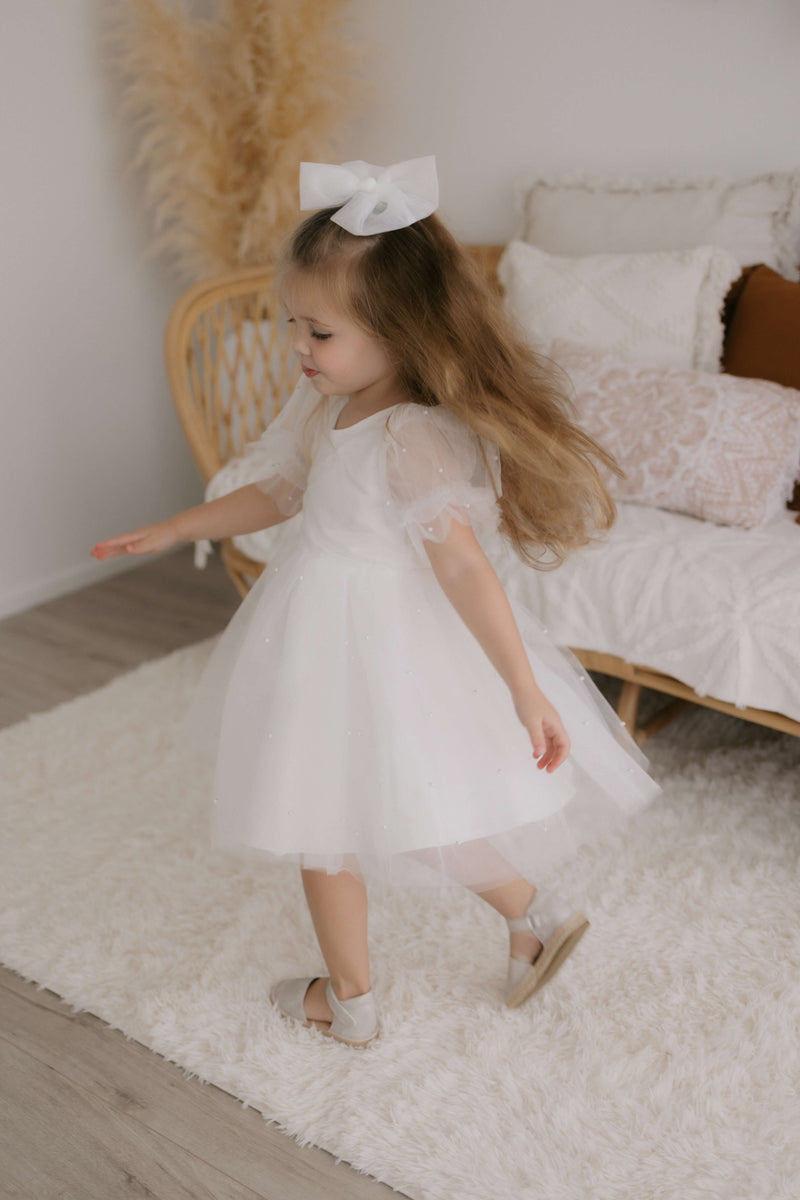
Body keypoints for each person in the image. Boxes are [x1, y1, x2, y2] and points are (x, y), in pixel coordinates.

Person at [92, 157, 660, 1047]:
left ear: (399, 332)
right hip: (324, 632)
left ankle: (349, 1003)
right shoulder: (329, 407)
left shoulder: (410, 437)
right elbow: (278, 492)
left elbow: (467, 570)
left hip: (366, 645)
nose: (296, 349)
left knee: (325, 820)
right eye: (294, 326)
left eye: (317, 333)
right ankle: (531, 914)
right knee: (389, 809)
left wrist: (524, 688)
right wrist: (174, 527)